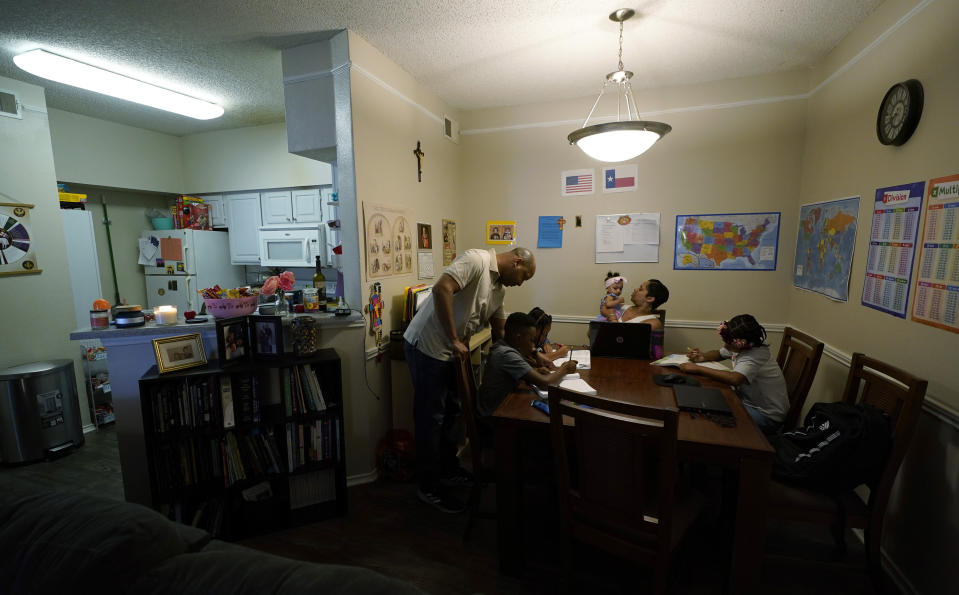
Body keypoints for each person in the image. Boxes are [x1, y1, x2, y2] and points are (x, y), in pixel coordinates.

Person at [404, 246, 536, 513]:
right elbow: (442, 289)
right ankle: (428, 487)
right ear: (517, 261)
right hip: (428, 347)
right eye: (524, 276)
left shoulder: (499, 289)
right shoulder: (477, 260)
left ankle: (448, 470)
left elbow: (501, 333)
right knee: (431, 420)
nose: (521, 283)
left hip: (451, 352)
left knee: (453, 413)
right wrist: (454, 338)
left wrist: (532, 357)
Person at [475, 312, 578, 443]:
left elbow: (520, 372)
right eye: (531, 340)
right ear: (518, 338)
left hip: (495, 409)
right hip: (492, 419)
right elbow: (544, 383)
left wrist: (535, 370)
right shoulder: (507, 354)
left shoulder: (503, 346)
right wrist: (564, 370)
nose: (533, 346)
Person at [680, 314, 788, 435]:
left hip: (767, 415)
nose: (725, 345)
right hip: (747, 401)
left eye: (728, 342)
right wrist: (702, 357)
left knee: (710, 419)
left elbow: (735, 378)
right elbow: (720, 353)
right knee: (709, 402)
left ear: (740, 343)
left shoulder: (756, 354)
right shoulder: (745, 344)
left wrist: (698, 369)